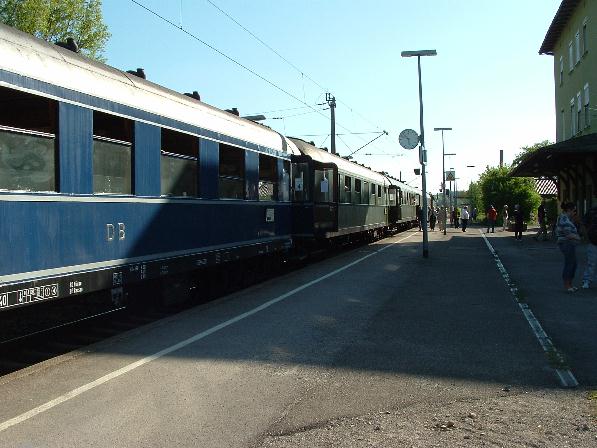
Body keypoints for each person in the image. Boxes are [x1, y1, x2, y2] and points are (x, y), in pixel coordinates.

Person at [556, 202, 581, 291]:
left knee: (573, 263)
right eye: (574, 210)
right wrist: (578, 238)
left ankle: (570, 284)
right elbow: (568, 234)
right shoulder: (564, 218)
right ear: (569, 210)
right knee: (570, 263)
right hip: (566, 243)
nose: (575, 213)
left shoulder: (567, 218)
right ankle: (567, 285)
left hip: (569, 244)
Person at [581, 205, 597, 289]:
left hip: (592, 239)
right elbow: (583, 223)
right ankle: (586, 280)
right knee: (591, 262)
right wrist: (586, 237)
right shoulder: (592, 210)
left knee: (591, 262)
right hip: (593, 240)